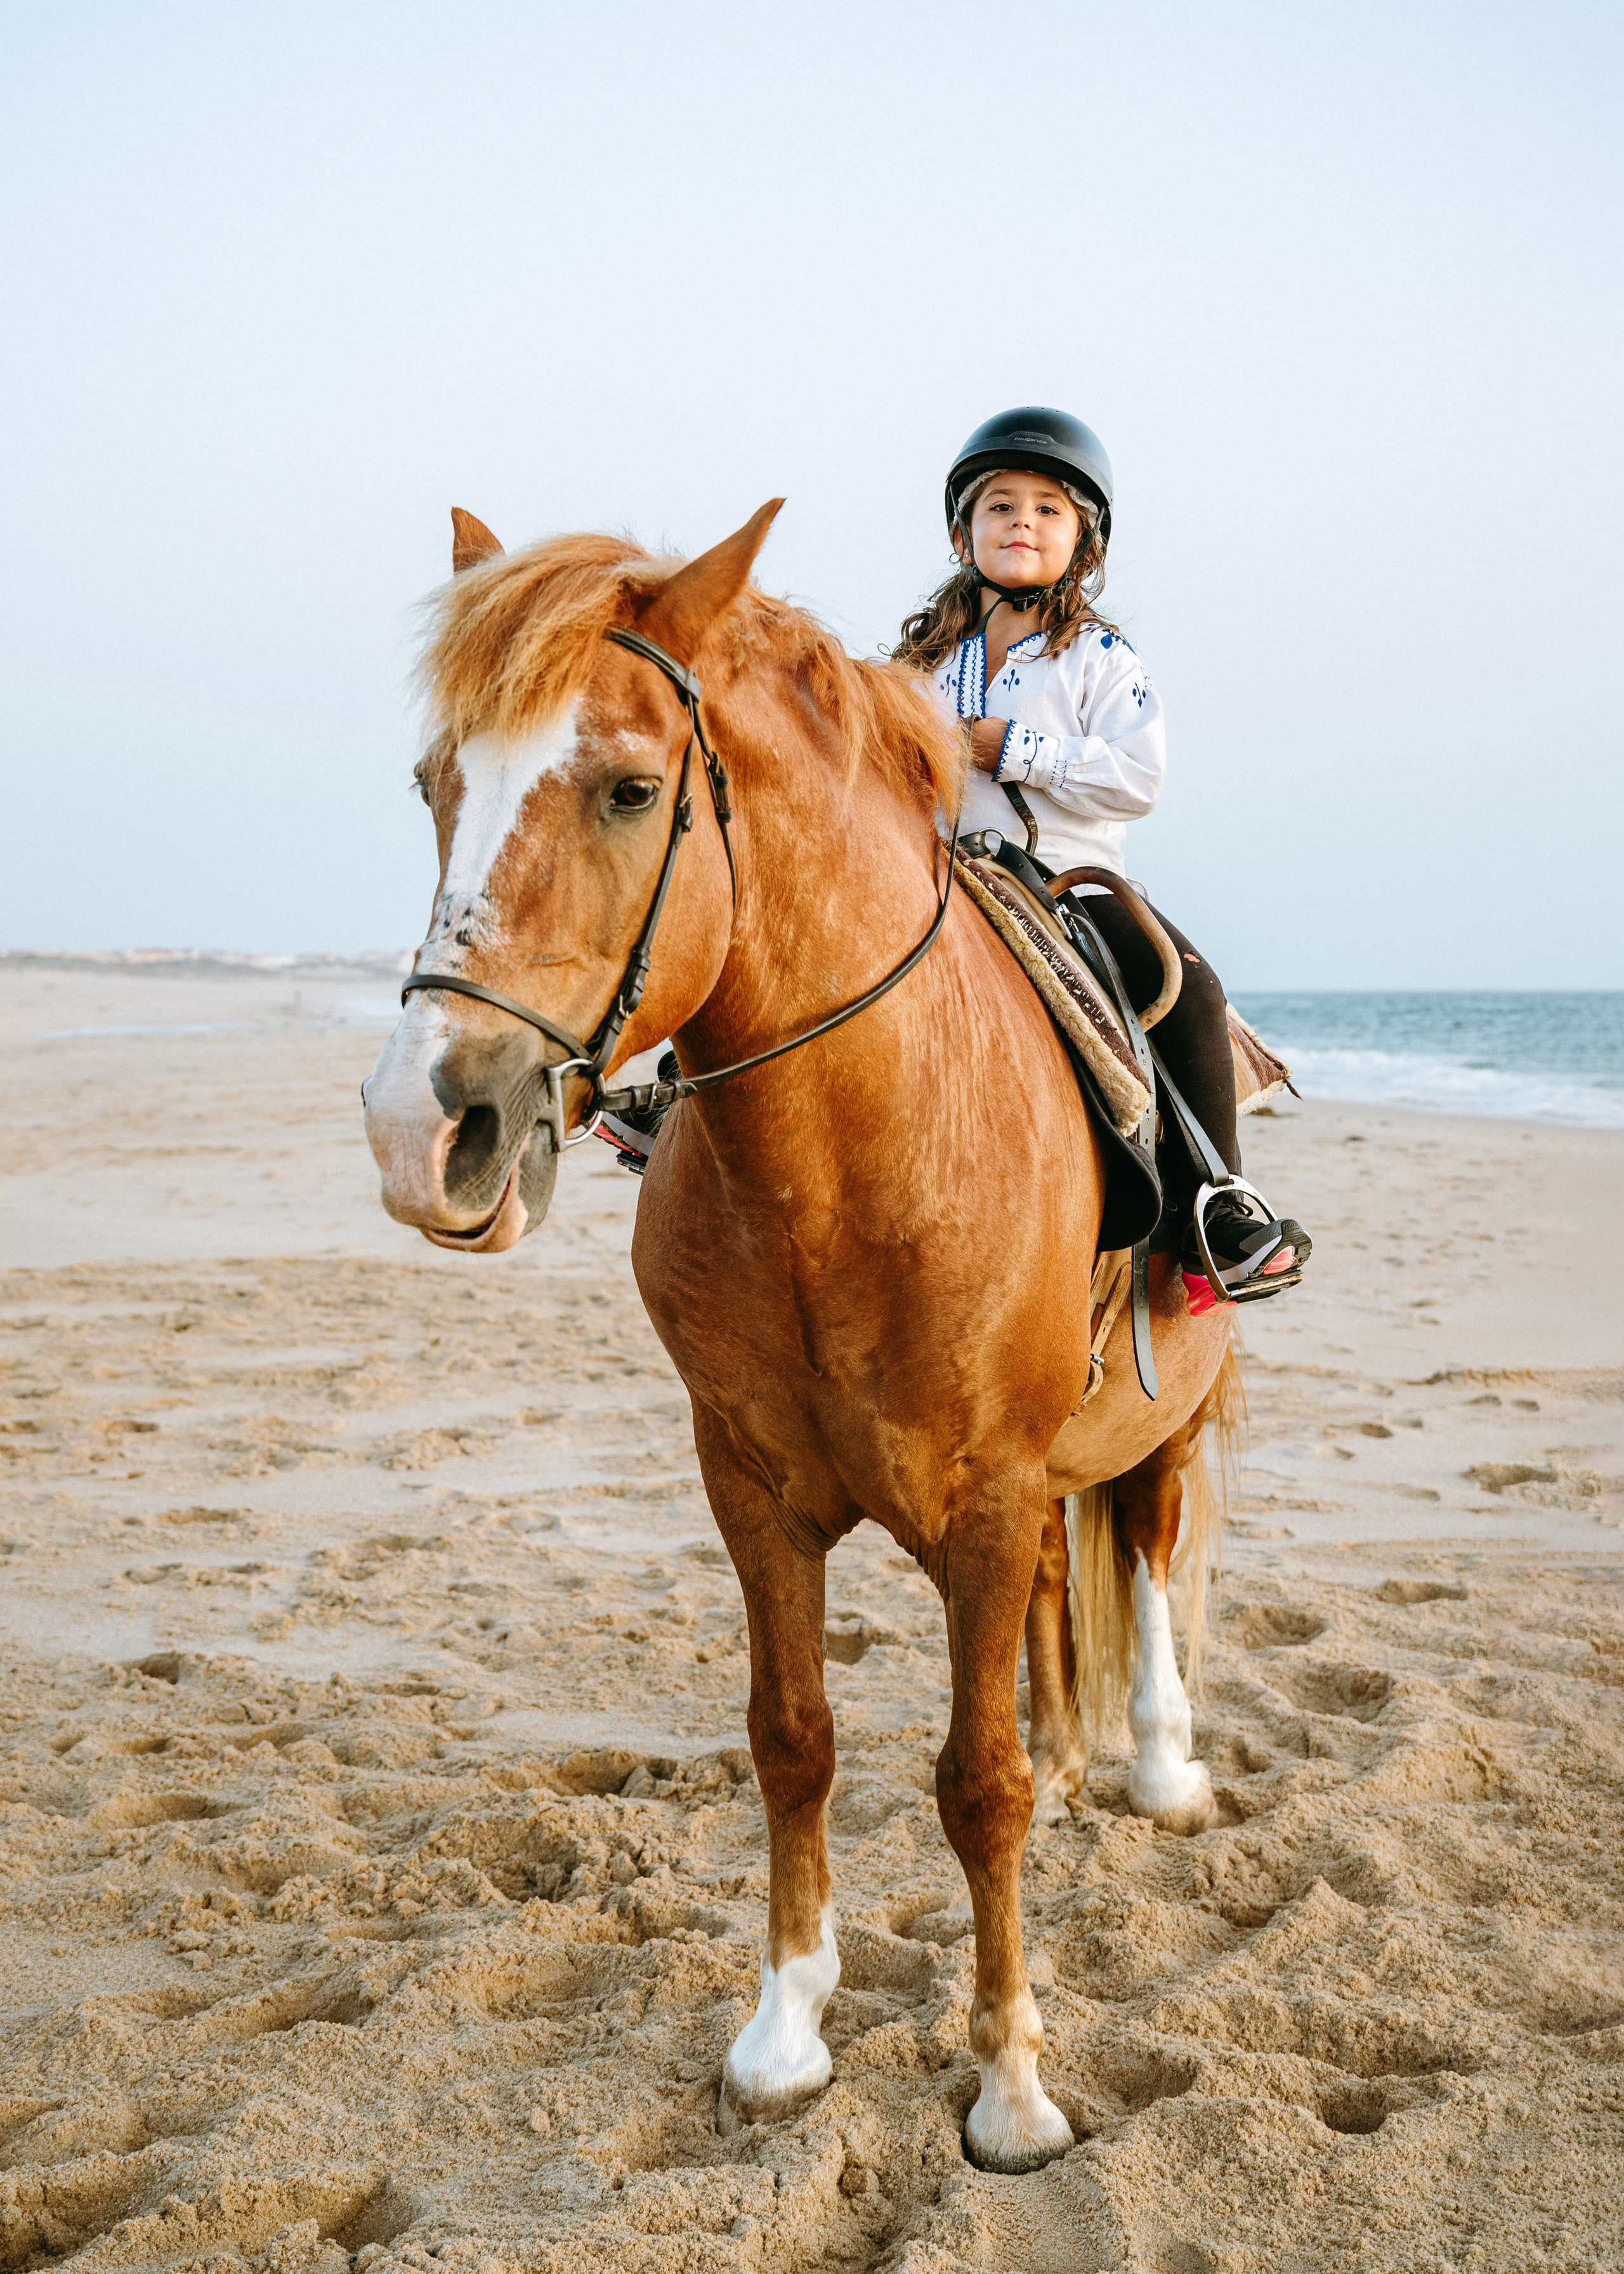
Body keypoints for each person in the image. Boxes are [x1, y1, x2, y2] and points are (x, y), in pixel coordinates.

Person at [894, 405, 1310, 1308]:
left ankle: (1219, 1209)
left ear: (1083, 544)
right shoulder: (920, 664)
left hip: (1067, 887)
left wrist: (1011, 750)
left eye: (1049, 510)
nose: (1022, 524)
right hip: (934, 877)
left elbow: (1137, 778)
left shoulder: (1102, 658)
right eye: (1000, 506)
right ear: (963, 533)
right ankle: (685, 1103)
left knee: (1190, 991)